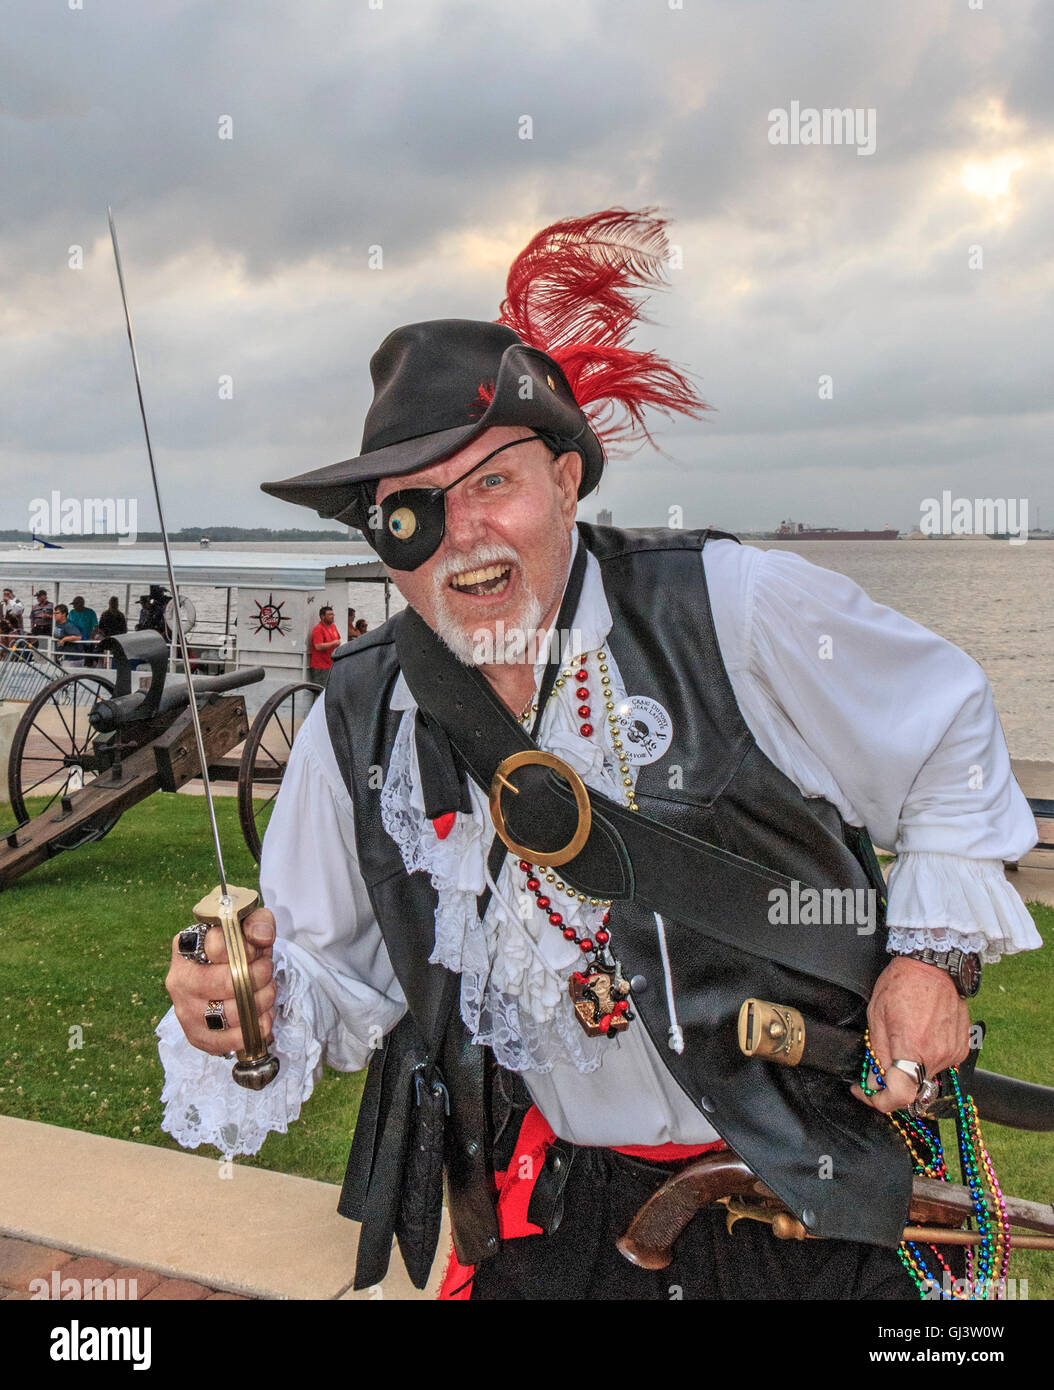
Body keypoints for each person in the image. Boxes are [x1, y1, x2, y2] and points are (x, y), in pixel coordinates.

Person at [158, 210, 1039, 1302]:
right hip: (563, 1221)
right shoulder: (365, 713)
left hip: (812, 1208)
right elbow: (329, 974)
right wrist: (239, 1004)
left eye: (492, 482)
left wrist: (930, 957)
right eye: (413, 512)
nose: (463, 535)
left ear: (568, 478)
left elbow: (947, 728)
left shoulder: (732, 607)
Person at [308, 605, 342, 688]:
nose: (332, 616)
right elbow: (318, 646)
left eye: (333, 614)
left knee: (330, 690)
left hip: (331, 665)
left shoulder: (333, 626)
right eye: (329, 615)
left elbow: (338, 640)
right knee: (320, 691)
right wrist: (333, 643)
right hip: (320, 667)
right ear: (322, 616)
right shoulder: (318, 629)